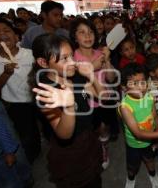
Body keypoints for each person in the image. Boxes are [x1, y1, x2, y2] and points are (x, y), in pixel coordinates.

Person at [31, 33, 105, 188]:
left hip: (88, 139)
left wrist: (91, 75)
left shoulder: (74, 75)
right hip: (71, 152)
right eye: (64, 59)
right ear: (43, 62)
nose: (72, 62)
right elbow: (64, 134)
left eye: (72, 56)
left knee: (95, 180)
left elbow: (102, 96)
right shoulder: (46, 92)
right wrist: (69, 106)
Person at [0, 17, 40, 163]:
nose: (2, 34)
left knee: (44, 125)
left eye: (6, 30)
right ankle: (31, 156)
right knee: (26, 133)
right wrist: (6, 73)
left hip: (38, 97)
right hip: (16, 104)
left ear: (17, 36)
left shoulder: (31, 54)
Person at [69, 17, 116, 169]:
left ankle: (104, 150)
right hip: (86, 101)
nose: (87, 36)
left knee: (104, 128)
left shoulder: (100, 53)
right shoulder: (71, 58)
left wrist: (107, 60)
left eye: (90, 32)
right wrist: (92, 66)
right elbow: (76, 83)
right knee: (90, 131)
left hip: (106, 99)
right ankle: (93, 151)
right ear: (75, 37)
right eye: (82, 33)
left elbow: (111, 77)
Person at [119, 63, 158, 188]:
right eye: (135, 83)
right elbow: (137, 133)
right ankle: (131, 178)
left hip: (149, 141)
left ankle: (153, 174)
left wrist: (156, 138)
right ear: (124, 88)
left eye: (143, 82)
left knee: (150, 160)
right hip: (133, 144)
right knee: (132, 165)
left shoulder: (149, 97)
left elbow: (155, 117)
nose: (141, 87)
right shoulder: (125, 106)